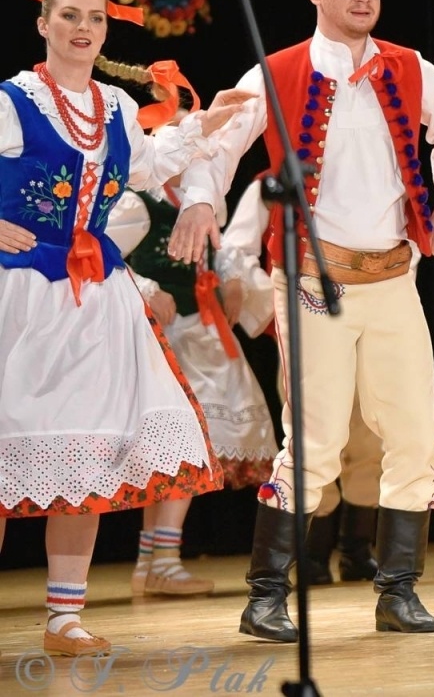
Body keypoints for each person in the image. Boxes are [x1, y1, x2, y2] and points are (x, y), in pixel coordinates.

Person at [166, 0, 434, 640]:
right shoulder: (278, 71)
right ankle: (265, 597)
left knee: (415, 433)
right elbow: (219, 142)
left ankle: (398, 590)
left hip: (393, 277)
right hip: (313, 281)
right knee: (314, 439)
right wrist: (200, 201)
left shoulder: (409, 66)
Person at [0, 0, 250, 654]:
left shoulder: (113, 104)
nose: (83, 29)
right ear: (44, 25)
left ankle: (64, 618)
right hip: (22, 293)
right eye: (70, 16)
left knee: (87, 452)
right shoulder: (14, 100)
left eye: (96, 19)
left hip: (95, 299)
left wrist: (204, 123)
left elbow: (147, 164)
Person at [97, 77, 277, 598]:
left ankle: (156, 561)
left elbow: (219, 251)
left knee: (194, 444)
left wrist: (234, 280)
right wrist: (149, 290)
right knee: (178, 443)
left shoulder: (202, 199)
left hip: (202, 332)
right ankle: (160, 560)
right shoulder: (135, 200)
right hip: (161, 336)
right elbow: (103, 254)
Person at [213, 174, 383, 587]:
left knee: (369, 438)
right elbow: (236, 246)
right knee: (312, 437)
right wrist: (271, 303)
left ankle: (358, 550)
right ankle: (312, 552)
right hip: (308, 325)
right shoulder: (275, 182)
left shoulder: (370, 171)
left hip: (368, 321)